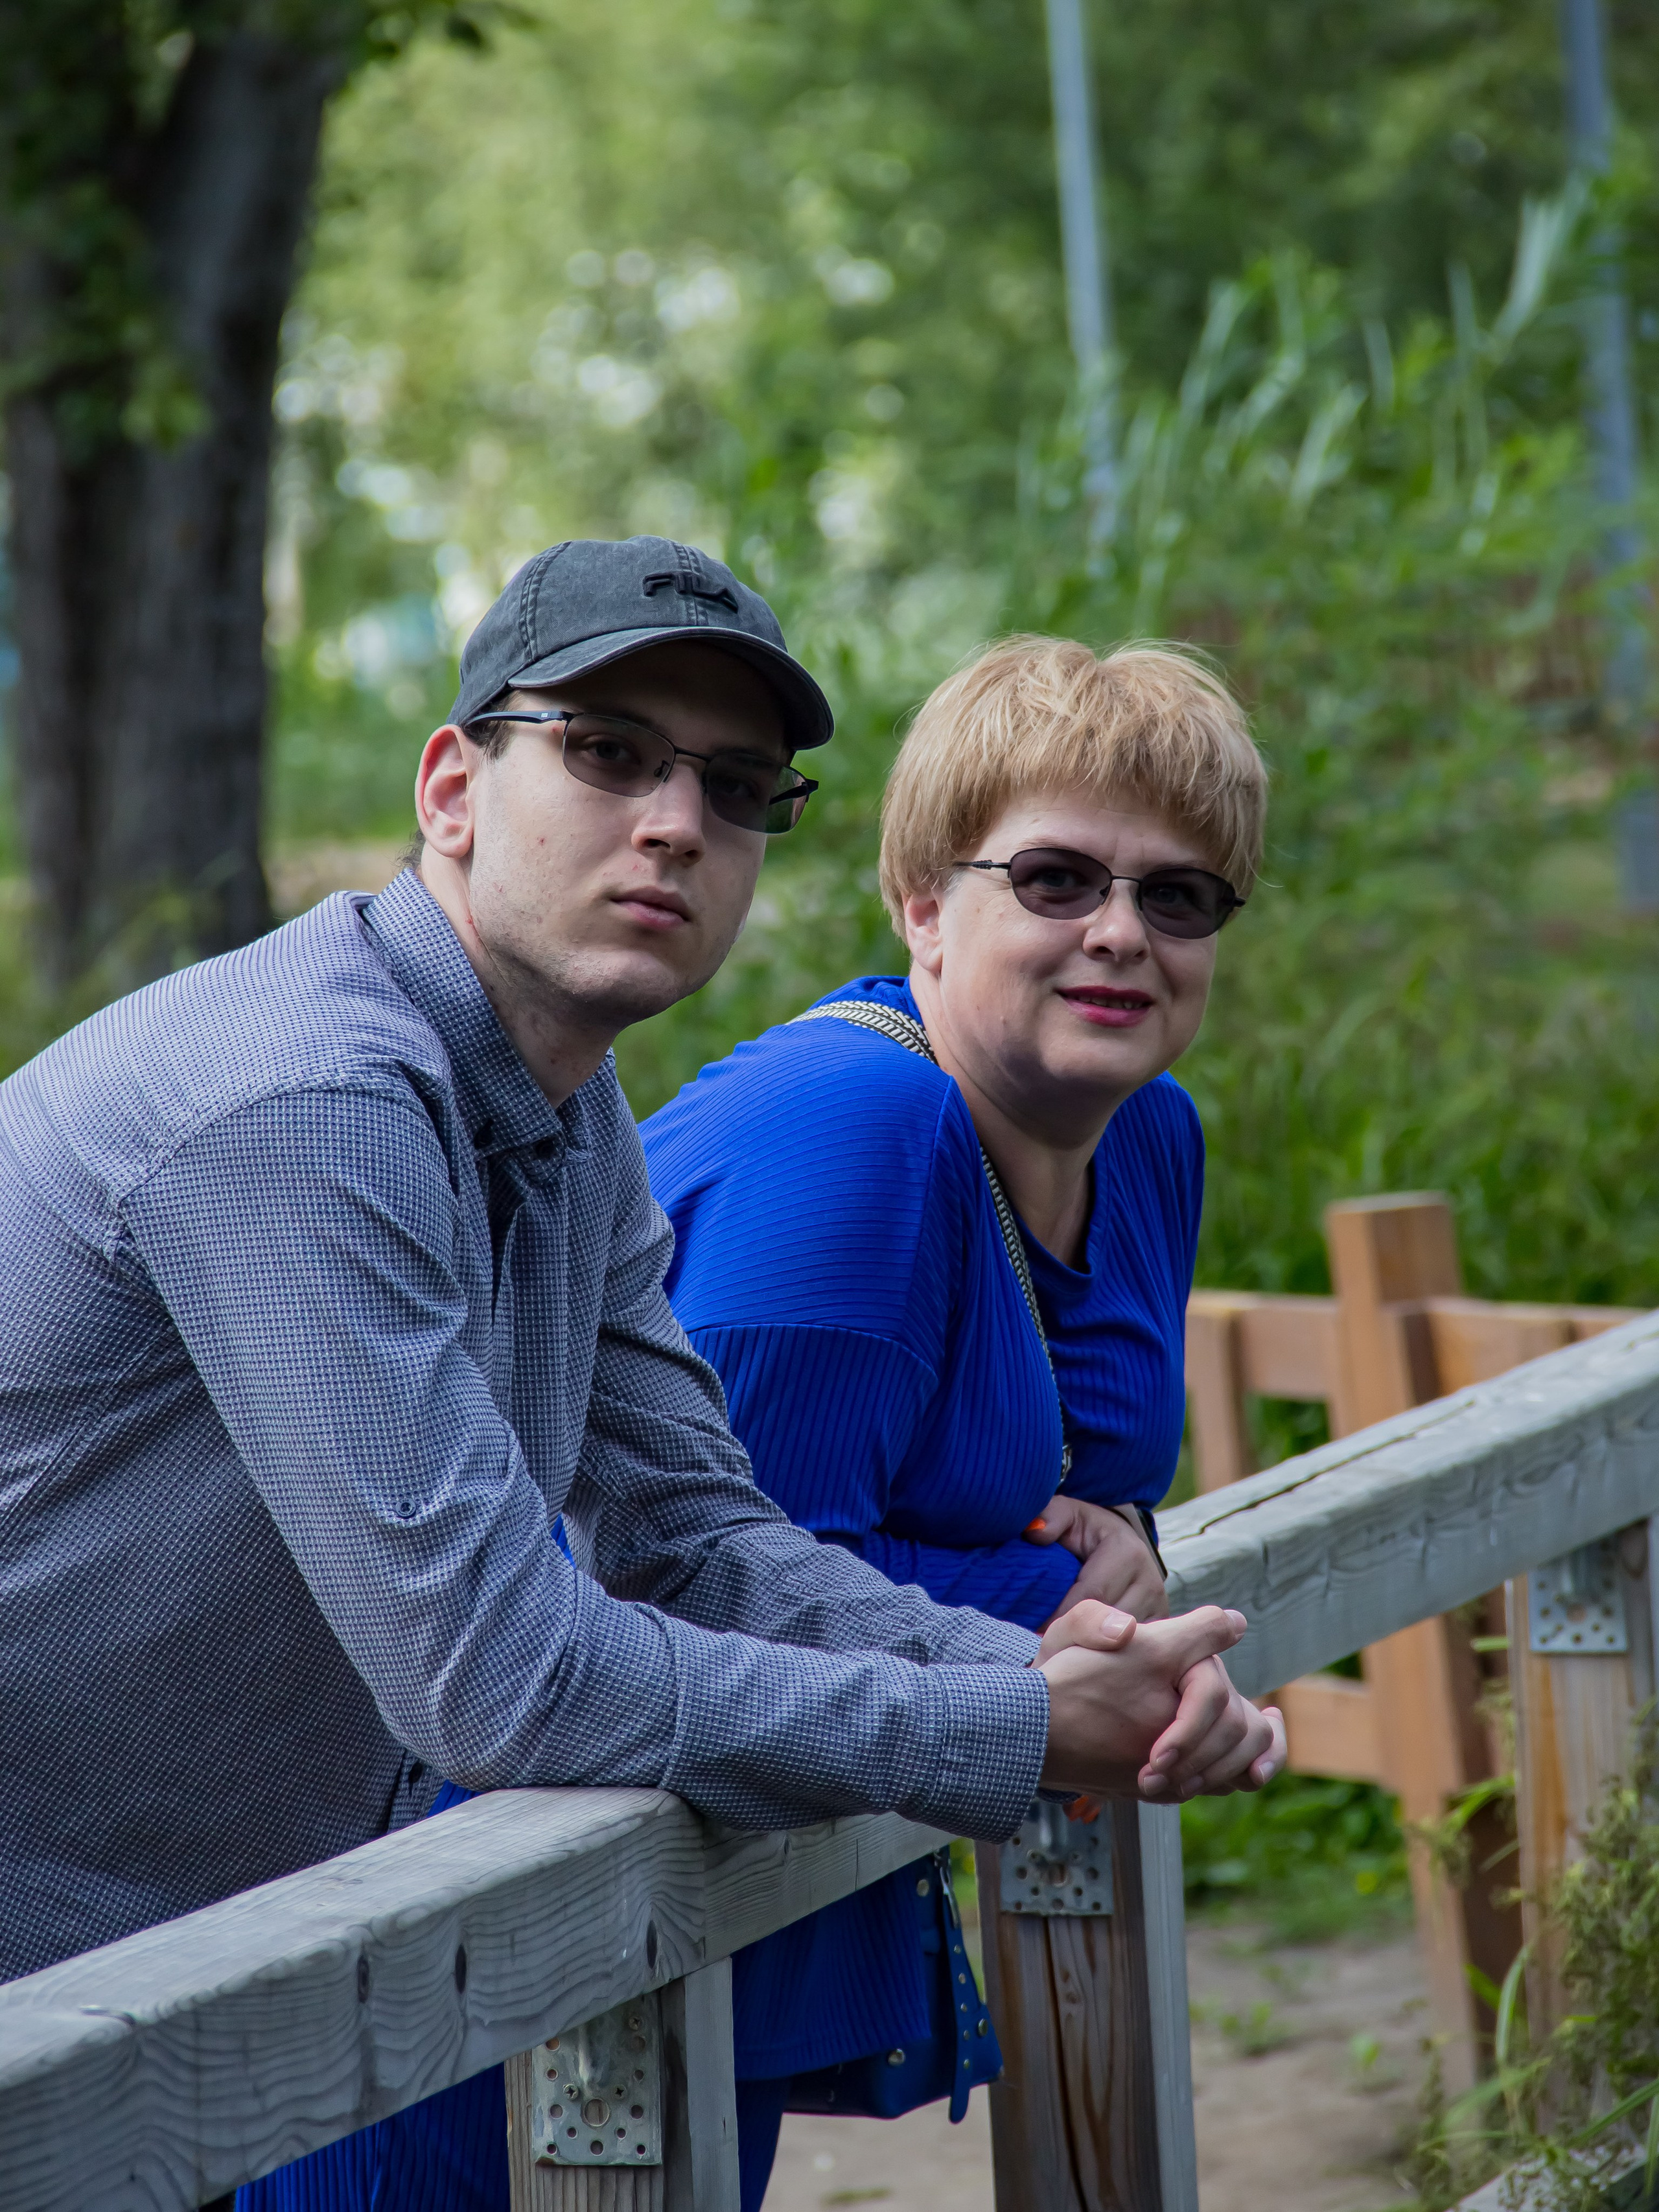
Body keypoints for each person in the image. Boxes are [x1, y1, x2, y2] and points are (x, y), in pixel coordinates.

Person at [0, 541, 1277, 2189]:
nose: (676, 819)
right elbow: (502, 1677)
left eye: (737, 786)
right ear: (452, 788)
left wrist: (1032, 1675)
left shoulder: (560, 1101)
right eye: (607, 755)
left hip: (158, 1969)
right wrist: (1013, 1732)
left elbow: (697, 1529)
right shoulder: (305, 1102)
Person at [635, 635, 1271, 2206]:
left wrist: (1122, 1549)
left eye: (1176, 897)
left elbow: (1086, 1487)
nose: (1119, 934)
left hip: (803, 1810)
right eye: (1053, 880)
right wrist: (1078, 1604)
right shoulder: (845, 1129)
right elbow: (723, 1573)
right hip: (544, 1863)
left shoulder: (1146, 1133)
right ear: (921, 903)